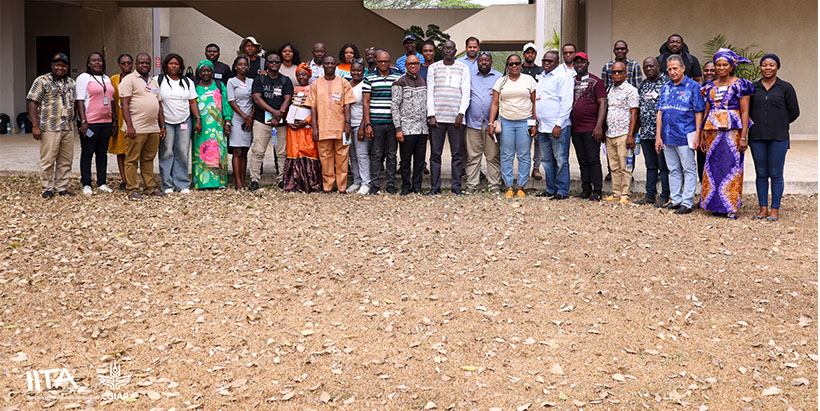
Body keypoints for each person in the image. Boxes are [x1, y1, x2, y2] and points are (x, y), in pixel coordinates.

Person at [699, 49, 754, 218]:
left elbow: (745, 112)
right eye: (718, 65)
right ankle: (716, 205)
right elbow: (706, 110)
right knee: (713, 168)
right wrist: (702, 135)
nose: (721, 68)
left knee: (731, 167)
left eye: (725, 65)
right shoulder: (709, 86)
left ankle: (730, 207)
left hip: (733, 132)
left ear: (732, 66)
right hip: (712, 133)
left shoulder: (740, 84)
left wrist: (744, 136)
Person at [749, 54, 800, 221]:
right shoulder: (753, 88)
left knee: (776, 174)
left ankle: (775, 209)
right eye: (764, 65)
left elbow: (794, 112)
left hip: (778, 137)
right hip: (757, 137)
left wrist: (780, 122)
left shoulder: (785, 87)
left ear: (777, 67)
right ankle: (763, 208)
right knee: (761, 173)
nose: (767, 68)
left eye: (771, 65)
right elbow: (747, 111)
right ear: (760, 67)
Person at [655, 55, 705, 215]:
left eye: (675, 68)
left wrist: (698, 134)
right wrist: (658, 136)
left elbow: (699, 112)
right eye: (669, 69)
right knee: (673, 169)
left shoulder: (693, 86)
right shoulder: (666, 87)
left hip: (685, 135)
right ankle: (676, 200)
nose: (672, 71)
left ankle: (687, 202)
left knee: (688, 169)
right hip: (668, 135)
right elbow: (660, 112)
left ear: (683, 68)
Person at [27, 52, 77, 199]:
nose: (61, 68)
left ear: (67, 67)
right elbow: (32, 102)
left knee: (66, 159)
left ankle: (61, 187)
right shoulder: (42, 81)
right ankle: (47, 188)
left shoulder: (71, 83)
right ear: (52, 66)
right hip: (49, 126)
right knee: (48, 159)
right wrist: (35, 126)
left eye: (64, 65)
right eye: (58, 65)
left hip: (67, 127)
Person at [487, 54, 537, 198]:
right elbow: (495, 103)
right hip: (506, 122)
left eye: (517, 63)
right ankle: (509, 186)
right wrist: (491, 123)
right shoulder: (501, 82)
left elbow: (534, 103)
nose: (514, 66)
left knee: (524, 155)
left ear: (521, 65)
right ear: (507, 66)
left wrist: (534, 123)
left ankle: (521, 186)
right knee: (506, 155)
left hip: (524, 122)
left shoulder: (529, 80)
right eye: (511, 64)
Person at [118, 53, 166, 200]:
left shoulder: (153, 81)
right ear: (136, 64)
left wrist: (162, 126)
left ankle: (149, 188)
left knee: (148, 159)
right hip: (136, 127)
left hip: (152, 127)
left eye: (147, 63)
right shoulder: (129, 80)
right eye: (141, 63)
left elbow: (158, 105)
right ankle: (132, 189)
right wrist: (130, 126)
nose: (144, 65)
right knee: (132, 159)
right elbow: (124, 104)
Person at [426, 40, 471, 195]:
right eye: (445, 48)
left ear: (455, 50)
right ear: (442, 50)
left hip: (456, 119)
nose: (448, 51)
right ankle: (435, 187)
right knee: (435, 154)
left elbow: (466, 92)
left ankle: (456, 187)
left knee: (457, 154)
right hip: (437, 118)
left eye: (451, 48)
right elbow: (429, 92)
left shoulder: (463, 68)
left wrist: (461, 113)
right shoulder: (433, 68)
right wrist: (431, 115)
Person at [306, 55, 356, 192]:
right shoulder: (316, 84)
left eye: (332, 63)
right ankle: (327, 186)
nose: (329, 65)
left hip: (341, 127)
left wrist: (347, 124)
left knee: (342, 157)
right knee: (325, 157)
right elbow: (313, 107)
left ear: (335, 66)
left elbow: (347, 105)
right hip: (322, 126)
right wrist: (314, 127)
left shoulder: (343, 82)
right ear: (323, 66)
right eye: (326, 63)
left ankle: (342, 187)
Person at [248, 53, 293, 191]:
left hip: (280, 122)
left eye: (277, 61)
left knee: (282, 152)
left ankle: (281, 179)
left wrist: (280, 114)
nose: (274, 63)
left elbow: (287, 98)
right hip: (262, 121)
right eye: (271, 61)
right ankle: (254, 180)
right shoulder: (259, 80)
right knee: (258, 151)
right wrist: (273, 111)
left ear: (280, 64)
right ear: (266, 64)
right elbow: (257, 98)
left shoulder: (285, 80)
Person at [158, 53, 200, 194]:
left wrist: (198, 118)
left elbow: (192, 101)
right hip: (166, 122)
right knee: (166, 152)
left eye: (176, 64)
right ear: (166, 65)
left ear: (180, 66)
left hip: (184, 120)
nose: (174, 66)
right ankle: (167, 184)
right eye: (171, 63)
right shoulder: (158, 80)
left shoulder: (187, 81)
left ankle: (182, 184)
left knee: (182, 152)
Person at [534, 50, 573, 200]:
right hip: (543, 126)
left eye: (550, 61)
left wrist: (558, 124)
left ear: (557, 63)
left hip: (558, 127)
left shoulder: (562, 77)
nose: (546, 63)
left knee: (561, 159)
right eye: (544, 60)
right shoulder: (542, 77)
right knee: (546, 160)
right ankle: (550, 189)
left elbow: (566, 102)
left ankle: (562, 191)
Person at [76, 51, 116, 195]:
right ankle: (86, 183)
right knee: (87, 152)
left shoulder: (106, 78)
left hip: (106, 121)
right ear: (88, 63)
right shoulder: (83, 78)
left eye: (99, 60)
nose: (97, 63)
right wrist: (83, 121)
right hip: (90, 123)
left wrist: (114, 120)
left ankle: (102, 182)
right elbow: (80, 100)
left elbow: (111, 100)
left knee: (102, 153)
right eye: (94, 60)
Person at [363, 50, 402, 194]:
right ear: (376, 62)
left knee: (392, 154)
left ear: (389, 61)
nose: (384, 64)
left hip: (393, 122)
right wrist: (367, 124)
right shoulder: (369, 77)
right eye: (380, 61)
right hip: (376, 122)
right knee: (376, 154)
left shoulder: (398, 76)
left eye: (386, 61)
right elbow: (366, 103)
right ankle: (375, 184)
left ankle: (390, 184)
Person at [569, 52, 607, 201]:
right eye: (577, 62)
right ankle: (586, 190)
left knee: (593, 160)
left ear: (588, 63)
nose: (579, 65)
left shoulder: (596, 81)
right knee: (582, 160)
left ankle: (597, 191)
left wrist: (599, 126)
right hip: (575, 128)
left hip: (591, 128)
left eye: (582, 62)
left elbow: (603, 103)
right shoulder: (570, 81)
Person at [464, 52, 502, 194]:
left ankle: (494, 186)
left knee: (492, 156)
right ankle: (472, 185)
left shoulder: (499, 77)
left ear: (491, 62)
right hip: (472, 123)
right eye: (481, 60)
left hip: (491, 123)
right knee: (473, 156)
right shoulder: (469, 76)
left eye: (487, 60)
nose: (484, 62)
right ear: (477, 62)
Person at [634, 57, 671, 207]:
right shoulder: (643, 85)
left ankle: (665, 195)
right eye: (646, 67)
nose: (648, 69)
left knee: (664, 166)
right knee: (650, 165)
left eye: (651, 66)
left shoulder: (667, 82)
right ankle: (649, 195)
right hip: (646, 133)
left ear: (658, 67)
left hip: (661, 134)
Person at [192, 60, 232, 189]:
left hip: (218, 126)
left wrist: (227, 121)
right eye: (203, 70)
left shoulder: (219, 85)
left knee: (219, 152)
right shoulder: (194, 86)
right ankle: (201, 183)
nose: (206, 73)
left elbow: (226, 104)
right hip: (200, 127)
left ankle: (219, 183)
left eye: (208, 70)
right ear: (199, 72)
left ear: (212, 72)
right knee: (201, 152)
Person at [602, 61, 639, 203]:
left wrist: (631, 135)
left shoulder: (631, 90)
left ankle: (625, 194)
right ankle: (616, 193)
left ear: (625, 73)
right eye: (614, 72)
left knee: (625, 165)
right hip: (610, 134)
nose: (616, 74)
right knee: (614, 166)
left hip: (624, 134)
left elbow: (634, 113)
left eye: (619, 72)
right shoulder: (610, 89)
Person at [391, 55, 428, 195]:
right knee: (405, 161)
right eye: (410, 64)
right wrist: (398, 128)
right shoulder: (399, 82)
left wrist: (427, 127)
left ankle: (417, 186)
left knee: (419, 161)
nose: (413, 66)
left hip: (422, 128)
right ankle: (406, 186)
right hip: (406, 128)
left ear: (420, 65)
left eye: (416, 63)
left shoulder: (423, 81)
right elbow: (395, 106)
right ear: (405, 66)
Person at [283, 63, 321, 193]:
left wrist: (306, 121)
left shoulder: (313, 89)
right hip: (292, 127)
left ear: (309, 76)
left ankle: (311, 184)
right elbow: (287, 106)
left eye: (304, 74)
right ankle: (293, 183)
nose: (301, 77)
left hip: (307, 127)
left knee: (309, 151)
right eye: (299, 74)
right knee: (294, 152)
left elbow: (317, 109)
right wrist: (288, 121)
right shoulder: (292, 89)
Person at [226, 56, 255, 189]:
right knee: (237, 151)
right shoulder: (231, 82)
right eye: (240, 64)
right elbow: (231, 101)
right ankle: (238, 182)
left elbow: (256, 100)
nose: (243, 67)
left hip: (249, 119)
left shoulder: (252, 81)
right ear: (235, 66)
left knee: (245, 151)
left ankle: (243, 180)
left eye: (245, 65)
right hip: (237, 119)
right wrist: (244, 116)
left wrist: (250, 117)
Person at [109, 54, 133, 190]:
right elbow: (111, 99)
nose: (126, 66)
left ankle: (132, 178)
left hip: (133, 118)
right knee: (121, 151)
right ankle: (124, 179)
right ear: (119, 64)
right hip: (119, 118)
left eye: (129, 63)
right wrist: (113, 119)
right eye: (123, 63)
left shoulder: (137, 78)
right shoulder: (114, 79)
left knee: (133, 151)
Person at [521, 42, 544, 181]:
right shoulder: (518, 68)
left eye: (532, 52)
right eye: (527, 52)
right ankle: (524, 168)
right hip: (523, 112)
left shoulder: (541, 71)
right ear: (524, 54)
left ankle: (536, 168)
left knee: (538, 141)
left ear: (535, 54)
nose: (530, 55)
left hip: (538, 112)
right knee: (525, 141)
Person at [348, 61, 371, 194]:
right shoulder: (346, 84)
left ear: (363, 71)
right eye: (353, 70)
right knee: (352, 155)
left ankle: (365, 182)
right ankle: (356, 181)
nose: (356, 73)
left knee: (361, 154)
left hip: (359, 124)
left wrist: (363, 125)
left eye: (359, 70)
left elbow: (366, 107)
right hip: (347, 125)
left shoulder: (365, 85)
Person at [697, 61, 718, 182]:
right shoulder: (700, 90)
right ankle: (704, 197)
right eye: (706, 70)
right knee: (702, 164)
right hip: (702, 133)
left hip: (718, 133)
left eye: (712, 70)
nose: (709, 73)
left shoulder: (722, 89)